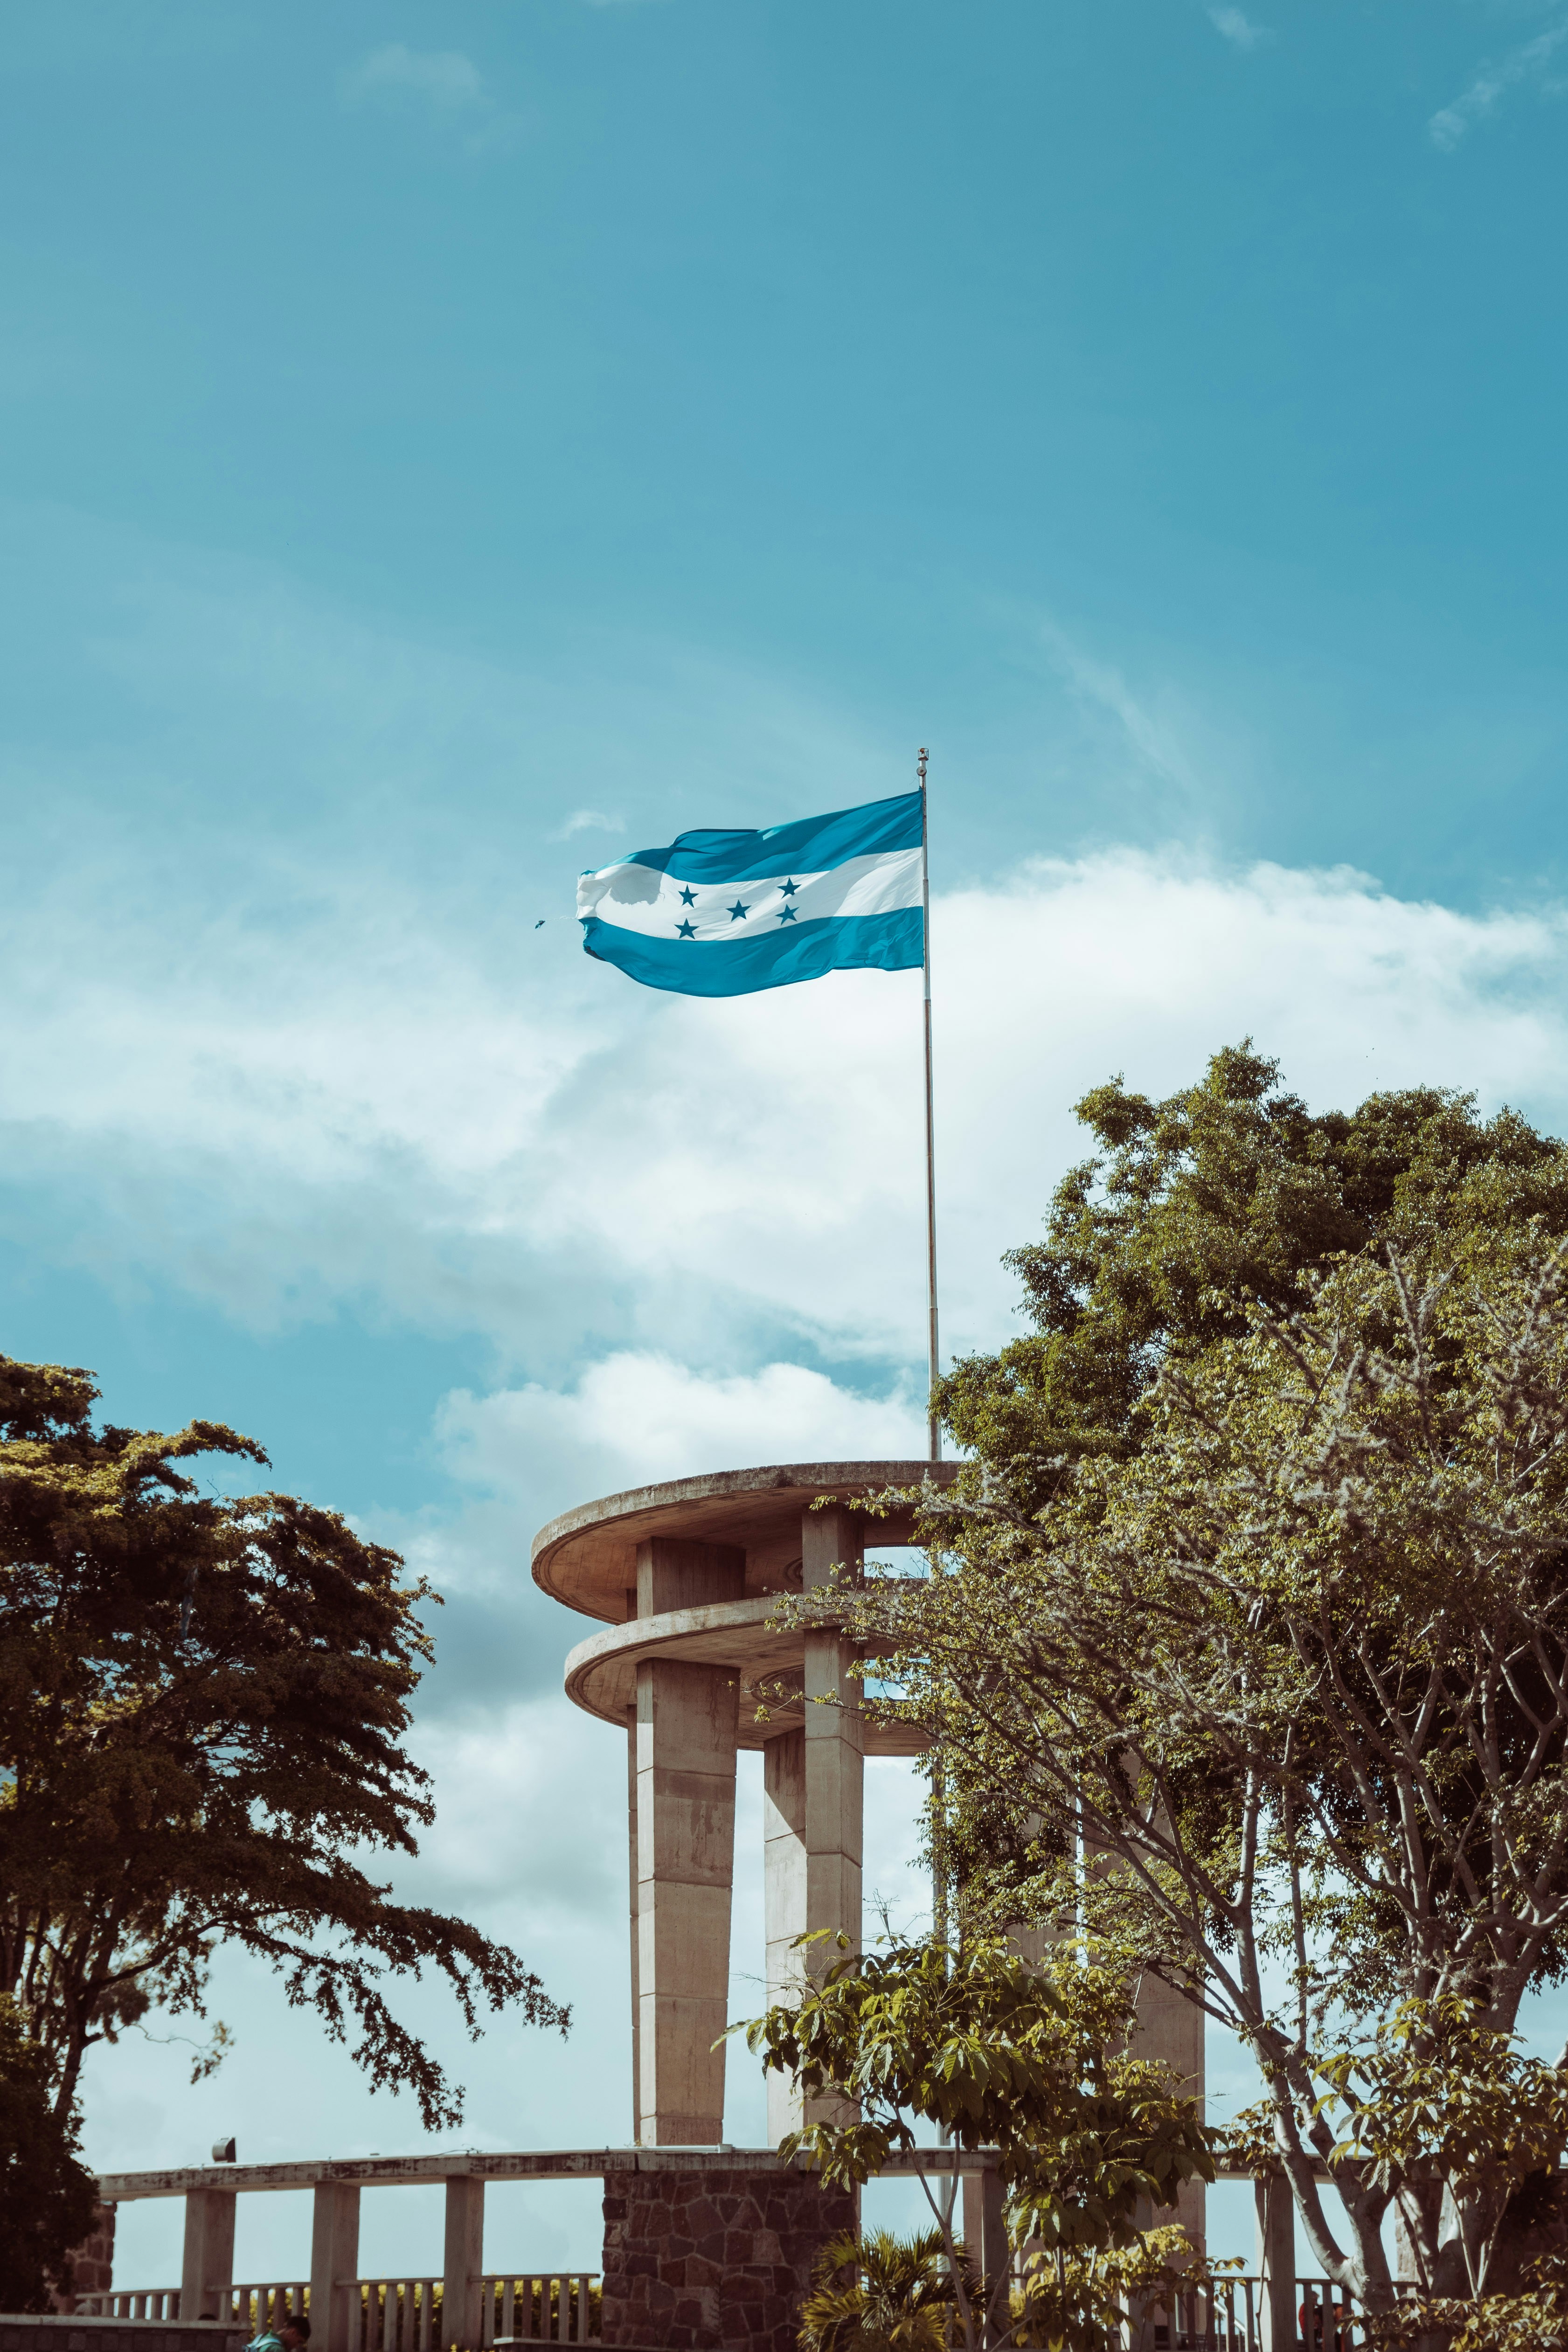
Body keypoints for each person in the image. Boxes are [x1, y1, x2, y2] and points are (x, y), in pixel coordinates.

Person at [245, 2310, 309, 2352]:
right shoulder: (277, 2349)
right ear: (293, 2332)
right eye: (299, 2341)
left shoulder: (261, 2338)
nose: (297, 2346)